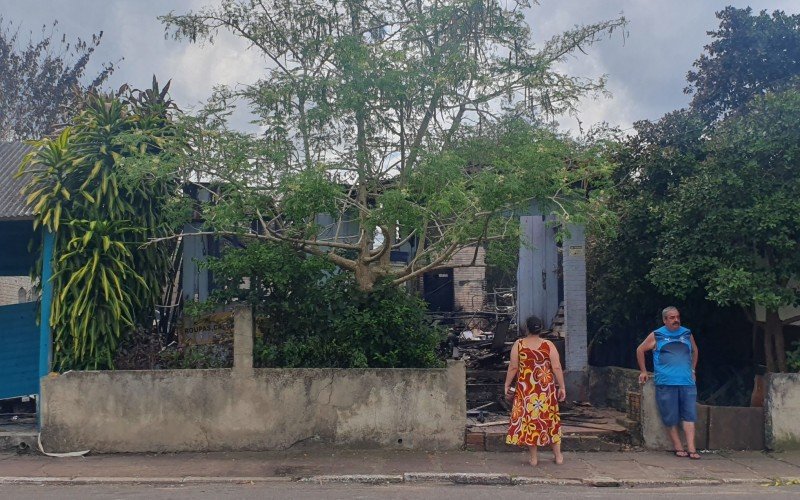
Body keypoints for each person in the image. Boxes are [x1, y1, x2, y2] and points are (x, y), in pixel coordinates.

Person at [636, 306, 700, 460]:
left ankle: (692, 448)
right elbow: (640, 350)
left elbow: (695, 351)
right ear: (665, 320)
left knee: (689, 415)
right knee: (670, 416)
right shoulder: (657, 335)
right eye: (671, 318)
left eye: (677, 317)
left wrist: (692, 369)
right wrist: (644, 371)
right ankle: (678, 446)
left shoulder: (686, 333)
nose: (676, 320)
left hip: (687, 381)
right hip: (666, 381)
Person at [504, 315, 566, 466]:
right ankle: (558, 456)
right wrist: (562, 386)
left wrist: (507, 385)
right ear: (541, 328)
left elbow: (513, 367)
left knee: (530, 422)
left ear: (527, 328)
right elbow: (556, 367)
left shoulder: (519, 344)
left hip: (526, 391)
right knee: (550, 420)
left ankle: (534, 458)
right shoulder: (548, 345)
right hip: (546, 391)